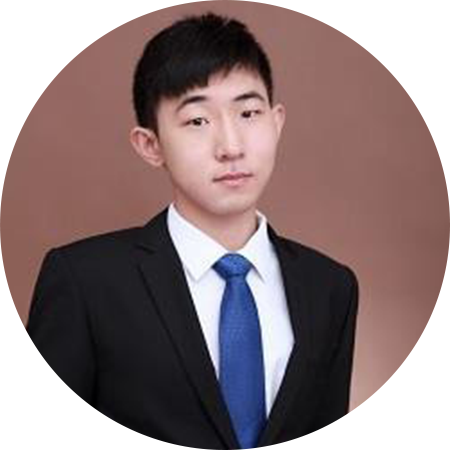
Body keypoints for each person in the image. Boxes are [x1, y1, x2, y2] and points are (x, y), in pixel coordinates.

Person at [27, 13, 359, 449]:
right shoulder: (84, 281)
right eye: (198, 121)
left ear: (277, 122)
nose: (232, 147)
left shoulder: (330, 286)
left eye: (249, 113)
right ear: (150, 145)